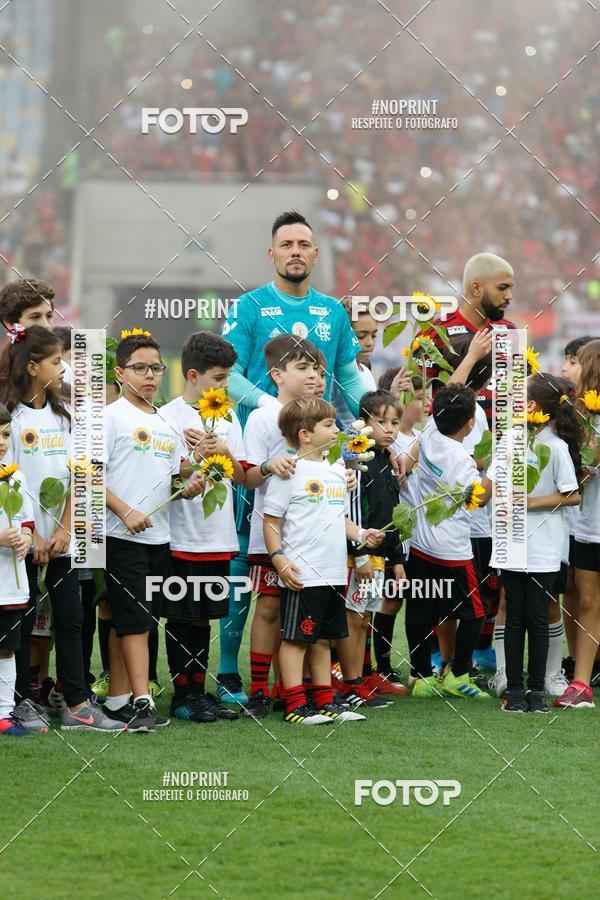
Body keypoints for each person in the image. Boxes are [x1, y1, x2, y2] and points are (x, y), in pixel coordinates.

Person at [217, 209, 370, 697]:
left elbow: (346, 376)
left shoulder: (333, 311)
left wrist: (362, 426)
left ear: (316, 253)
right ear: (272, 253)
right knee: (251, 562)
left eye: (304, 244)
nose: (296, 251)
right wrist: (279, 407)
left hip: (315, 457)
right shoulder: (250, 306)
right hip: (262, 450)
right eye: (287, 245)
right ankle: (228, 673)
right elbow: (230, 373)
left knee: (313, 570)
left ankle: (302, 684)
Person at [0, 326, 121, 732]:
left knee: (71, 618)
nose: (63, 366)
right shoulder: (11, 416)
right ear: (33, 367)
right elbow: (8, 482)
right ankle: (20, 701)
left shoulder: (66, 414)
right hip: (23, 541)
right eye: (55, 361)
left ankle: (76, 704)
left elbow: (79, 474)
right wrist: (30, 534)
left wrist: (67, 528)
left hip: (64, 537)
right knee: (23, 619)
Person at [103, 330, 202, 732]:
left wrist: (190, 486)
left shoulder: (164, 421)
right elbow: (89, 476)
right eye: (139, 368)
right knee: (134, 621)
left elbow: (174, 480)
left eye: (156, 368)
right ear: (119, 372)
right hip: (120, 536)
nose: (149, 376)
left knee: (135, 619)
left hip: (160, 537)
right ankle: (143, 702)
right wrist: (125, 511)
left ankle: (117, 699)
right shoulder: (110, 417)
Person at [263, 397, 384, 724]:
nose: (337, 429)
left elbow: (339, 518)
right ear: (305, 434)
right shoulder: (289, 471)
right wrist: (280, 561)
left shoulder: (335, 470)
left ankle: (325, 700)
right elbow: (271, 521)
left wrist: (361, 534)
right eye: (329, 425)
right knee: (296, 639)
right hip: (304, 572)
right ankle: (294, 705)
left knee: (322, 639)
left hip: (333, 572)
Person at [161, 331, 246, 723]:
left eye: (228, 378)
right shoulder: (167, 417)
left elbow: (244, 473)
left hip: (218, 535)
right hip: (182, 535)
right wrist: (193, 457)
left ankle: (201, 689)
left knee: (206, 615)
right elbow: (165, 480)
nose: (225, 386)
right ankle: (183, 694)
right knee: (182, 615)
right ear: (193, 375)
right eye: (218, 378)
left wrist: (223, 450)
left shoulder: (228, 416)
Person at [490, 374, 581, 713]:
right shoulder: (509, 439)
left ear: (533, 406)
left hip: (544, 547)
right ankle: (514, 692)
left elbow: (571, 495)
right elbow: (497, 485)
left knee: (538, 617)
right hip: (511, 543)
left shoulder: (555, 446)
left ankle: (538, 693)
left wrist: (528, 502)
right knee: (514, 616)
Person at [240, 334, 320, 717]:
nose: (311, 375)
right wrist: (269, 466)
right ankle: (258, 690)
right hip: (271, 533)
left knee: (304, 608)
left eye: (316, 369)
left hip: (312, 534)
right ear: (277, 374)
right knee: (270, 608)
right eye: (302, 368)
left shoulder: (321, 413)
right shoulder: (261, 417)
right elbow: (247, 477)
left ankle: (291, 689)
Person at [403, 384, 492, 700]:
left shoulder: (428, 433)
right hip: (453, 551)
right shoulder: (461, 459)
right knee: (475, 613)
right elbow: (478, 499)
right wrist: (495, 468)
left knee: (419, 612)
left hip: (420, 545)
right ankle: (458, 675)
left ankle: (424, 677)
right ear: (470, 423)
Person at [337, 390, 409, 706]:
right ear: (364, 422)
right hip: (360, 556)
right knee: (353, 618)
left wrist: (396, 559)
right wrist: (360, 553)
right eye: (381, 422)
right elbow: (352, 510)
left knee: (364, 617)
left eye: (395, 422)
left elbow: (388, 512)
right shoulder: (357, 456)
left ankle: (362, 679)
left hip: (378, 557)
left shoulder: (384, 458)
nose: (390, 429)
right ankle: (350, 683)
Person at [555, 340, 600, 708]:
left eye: (579, 362)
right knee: (586, 599)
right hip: (587, 524)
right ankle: (581, 680)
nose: (573, 368)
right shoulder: (575, 412)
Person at [422, 252, 515, 426]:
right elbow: (414, 395)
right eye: (502, 288)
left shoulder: (510, 331)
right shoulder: (436, 332)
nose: (509, 296)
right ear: (476, 288)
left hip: (501, 447)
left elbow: (516, 397)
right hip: (454, 444)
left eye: (510, 288)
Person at [0, 403, 35, 736]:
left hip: (9, 585)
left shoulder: (15, 476)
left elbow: (27, 523)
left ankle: (4, 713)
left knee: (7, 646)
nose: (1, 440)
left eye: (5, 433)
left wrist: (24, 538)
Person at [0, 278, 73, 385]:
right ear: (11, 325)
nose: (46, 325)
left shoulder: (65, 371)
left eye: (49, 316)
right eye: (35, 317)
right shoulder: (4, 371)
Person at [332, 298, 377, 430]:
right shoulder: (334, 374)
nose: (370, 343)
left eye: (374, 336)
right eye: (361, 336)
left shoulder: (365, 370)